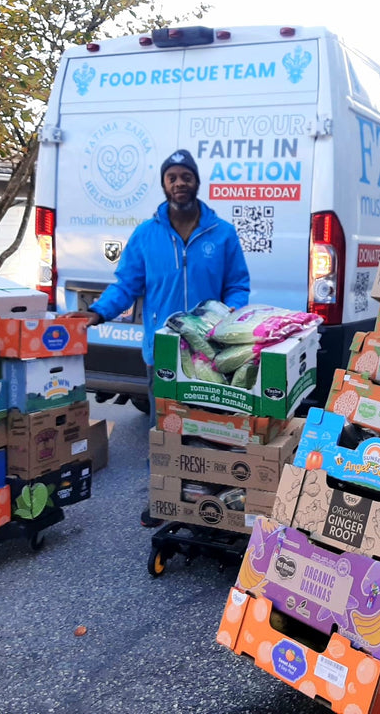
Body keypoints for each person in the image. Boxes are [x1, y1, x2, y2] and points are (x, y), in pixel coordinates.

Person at [65, 148, 251, 526]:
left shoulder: (222, 233)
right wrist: (98, 312)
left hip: (208, 353)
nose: (179, 183)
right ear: (164, 184)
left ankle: (208, 502)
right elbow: (127, 284)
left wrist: (227, 319)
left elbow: (238, 285)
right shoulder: (146, 235)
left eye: (186, 176)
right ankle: (164, 499)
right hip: (163, 352)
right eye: (172, 177)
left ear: (197, 181)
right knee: (164, 429)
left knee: (208, 428)